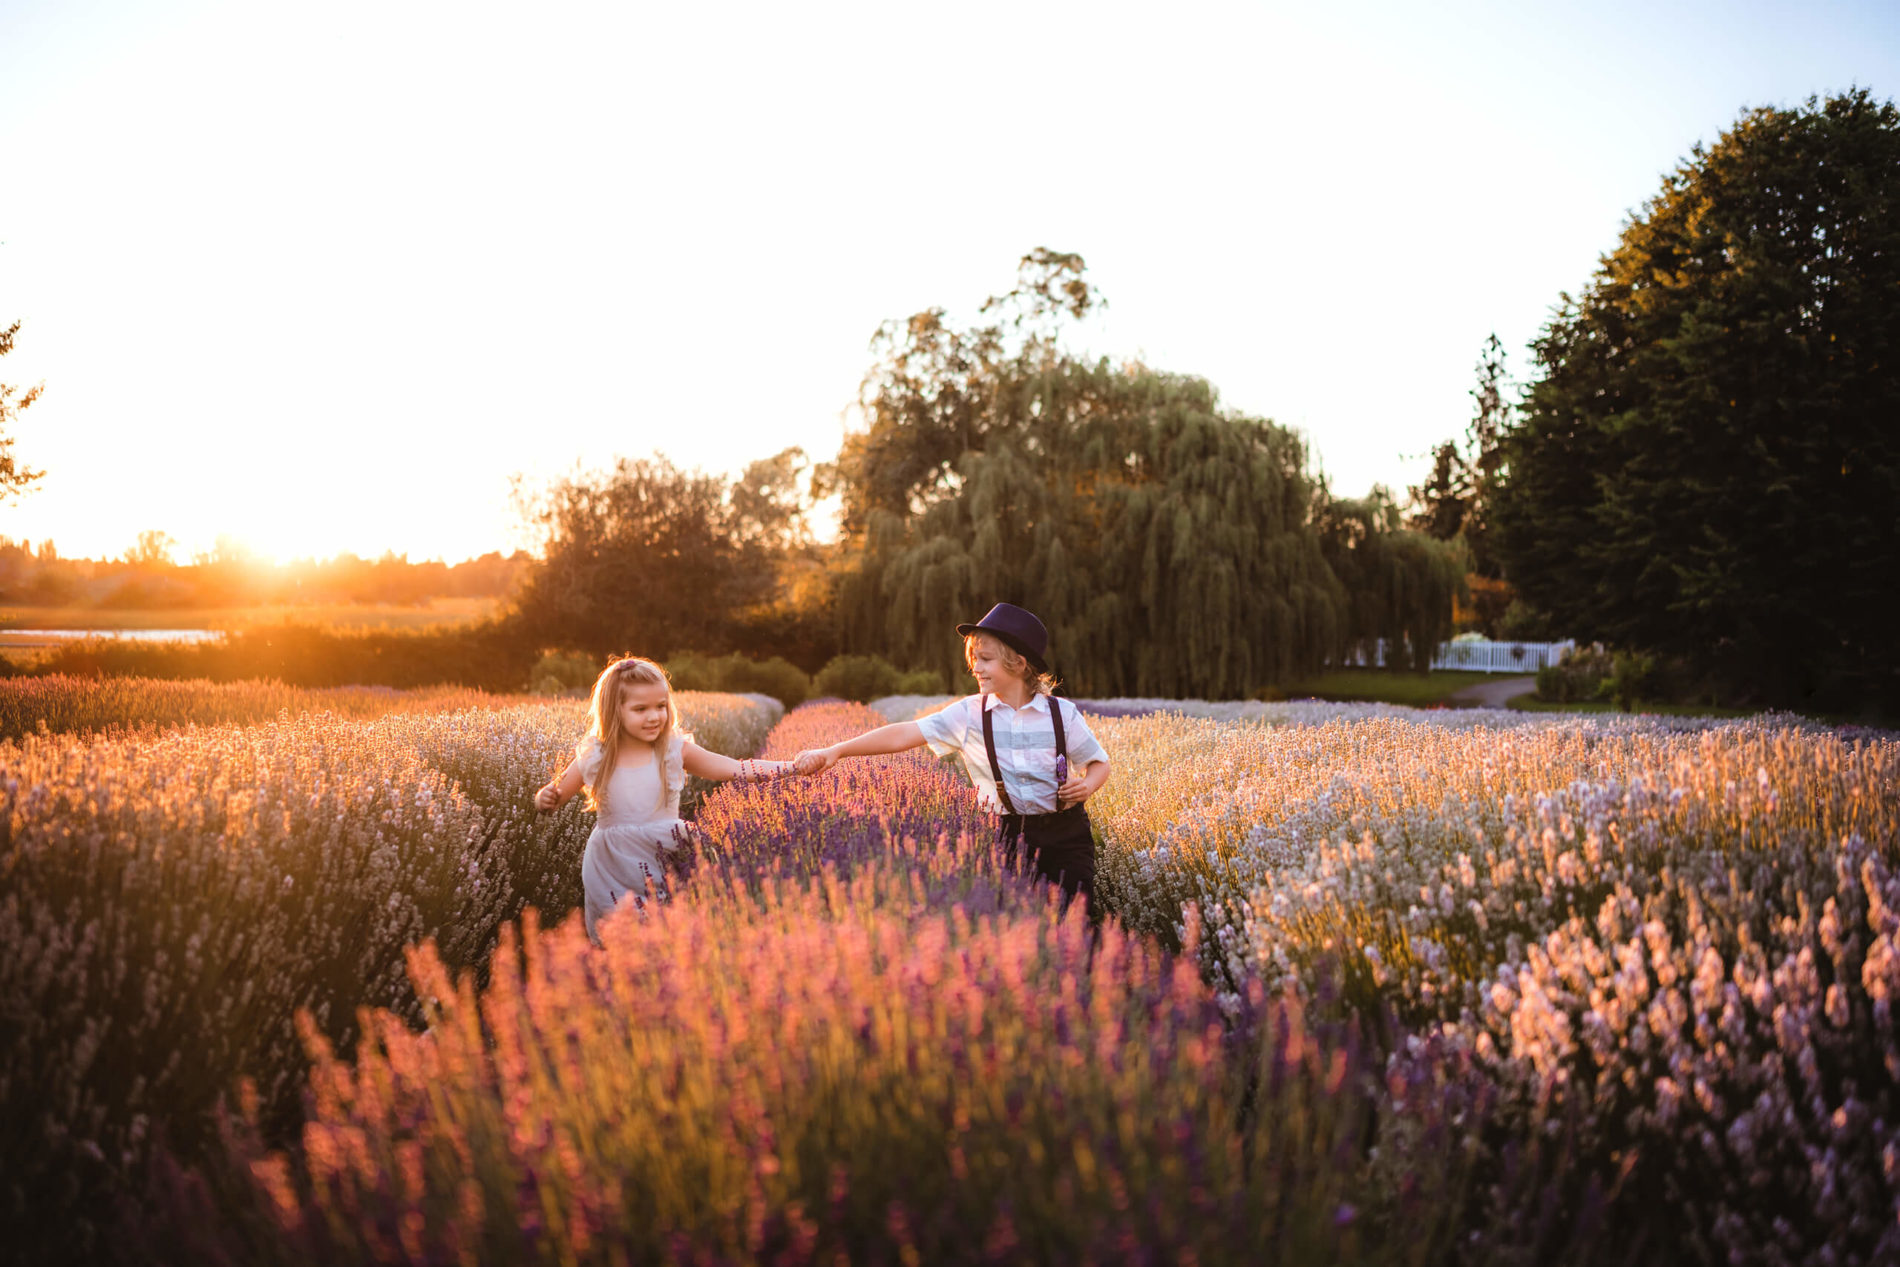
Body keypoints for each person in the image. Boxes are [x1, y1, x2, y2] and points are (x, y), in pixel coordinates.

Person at [793, 603, 1111, 913]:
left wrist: (1087, 786)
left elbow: (1099, 763)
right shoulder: (970, 714)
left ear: (1019, 663)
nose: (975, 667)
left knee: (1075, 919)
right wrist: (836, 751)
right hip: (1009, 834)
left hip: (1067, 835)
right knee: (1019, 924)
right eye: (973, 659)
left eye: (985, 659)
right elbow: (904, 734)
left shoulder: (1062, 714)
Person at [534, 655, 793, 939]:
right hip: (613, 866)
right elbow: (555, 796)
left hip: (665, 853)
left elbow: (735, 768)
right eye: (640, 709)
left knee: (673, 933)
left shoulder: (673, 750)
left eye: (660, 706)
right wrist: (543, 798)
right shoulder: (596, 755)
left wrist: (792, 768)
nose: (654, 716)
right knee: (622, 939)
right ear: (614, 710)